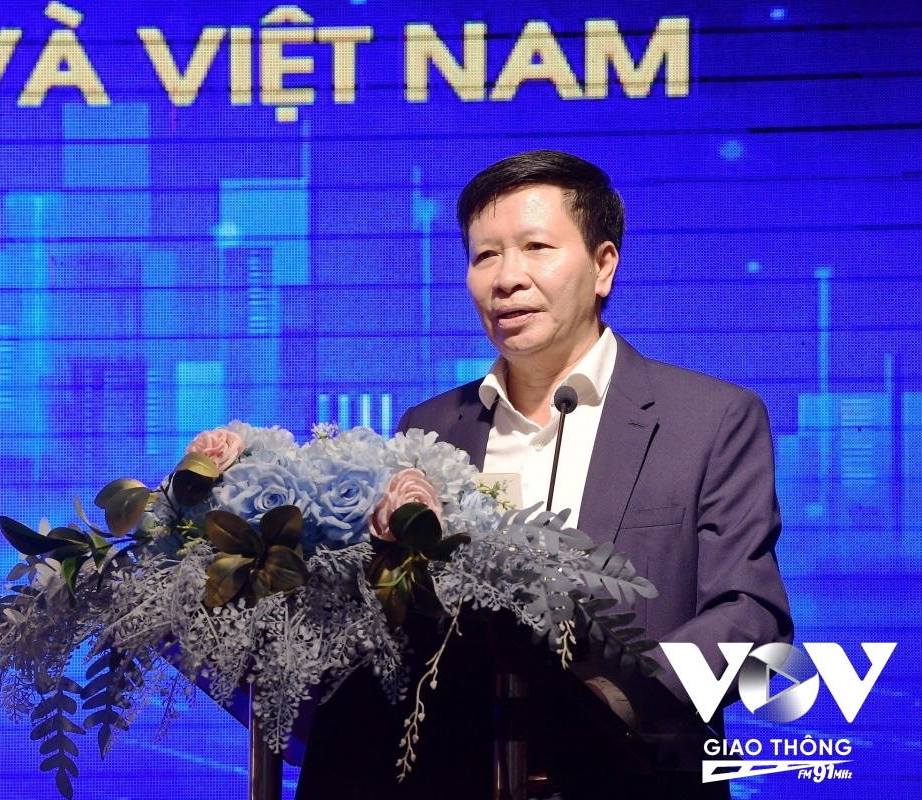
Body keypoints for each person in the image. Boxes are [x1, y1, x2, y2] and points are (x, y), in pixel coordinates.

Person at [296, 150, 793, 799]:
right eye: (485, 256)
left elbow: (753, 622)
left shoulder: (711, 419)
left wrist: (613, 703)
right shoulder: (430, 426)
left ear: (603, 265)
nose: (507, 278)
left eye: (535, 248)